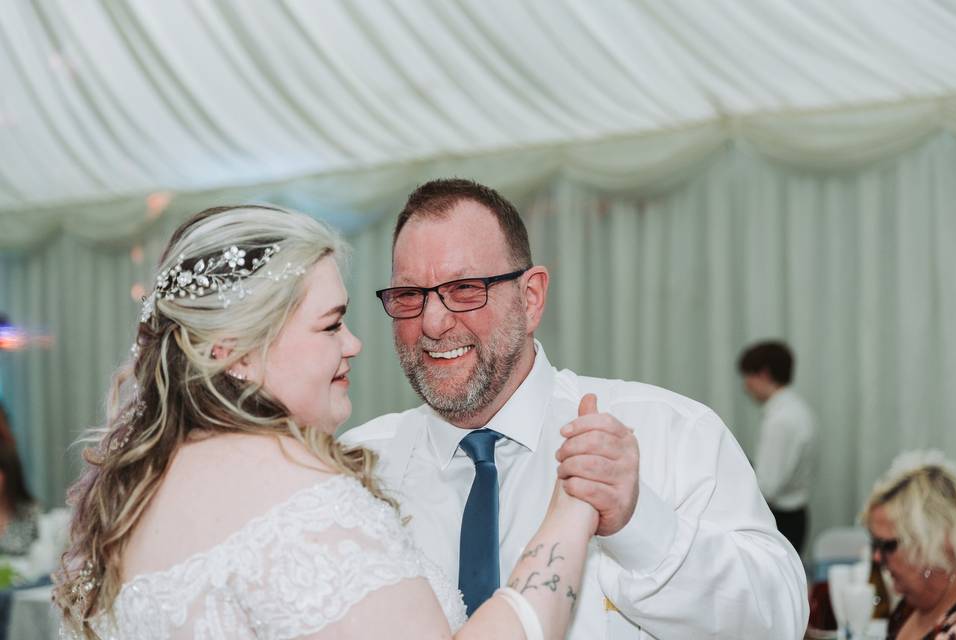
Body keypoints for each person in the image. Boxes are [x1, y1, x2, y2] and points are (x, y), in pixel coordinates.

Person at [52, 205, 598, 639]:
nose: (354, 344)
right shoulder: (302, 496)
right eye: (331, 325)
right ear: (238, 353)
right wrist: (571, 512)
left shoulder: (137, 491)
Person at [342, 178, 809, 639]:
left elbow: (781, 619)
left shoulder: (670, 432)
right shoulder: (356, 467)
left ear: (530, 298)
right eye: (408, 295)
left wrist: (640, 522)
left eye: (465, 288)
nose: (432, 321)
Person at [862, 450, 956, 640]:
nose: (876, 556)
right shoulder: (910, 604)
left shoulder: (954, 628)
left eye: (887, 546)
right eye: (875, 544)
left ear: (931, 542)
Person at [738, 340, 817, 554]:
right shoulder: (797, 408)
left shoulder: (780, 420)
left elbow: (767, 486)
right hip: (795, 515)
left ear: (764, 374)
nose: (746, 386)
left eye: (748, 377)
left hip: (782, 519)